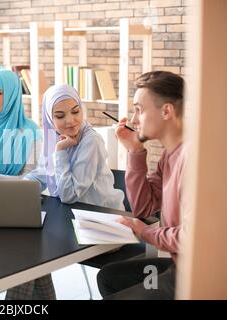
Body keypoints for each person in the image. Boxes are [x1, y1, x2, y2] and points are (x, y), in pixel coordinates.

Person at [6, 84, 125, 300]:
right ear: (50, 119)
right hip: (76, 220)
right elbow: (43, 173)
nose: (70, 121)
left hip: (106, 226)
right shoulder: (55, 137)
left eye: (76, 111)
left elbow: (69, 194)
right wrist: (17, 190)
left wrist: (60, 153)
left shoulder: (91, 141)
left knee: (31, 249)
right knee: (30, 249)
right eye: (60, 116)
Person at [96, 71, 185, 300]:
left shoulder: (191, 159)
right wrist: (135, 151)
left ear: (166, 111)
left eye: (139, 109)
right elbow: (144, 209)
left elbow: (191, 237)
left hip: (192, 278)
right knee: (110, 278)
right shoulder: (170, 156)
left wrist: (144, 231)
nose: (134, 120)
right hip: (176, 267)